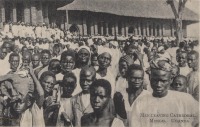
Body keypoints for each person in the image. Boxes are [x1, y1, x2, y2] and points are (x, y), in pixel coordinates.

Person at [130, 59, 199, 127]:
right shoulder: (140, 102)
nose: (158, 84)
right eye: (155, 80)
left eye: (163, 81)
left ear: (171, 80)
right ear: (150, 78)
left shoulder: (185, 100)